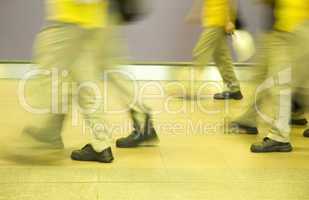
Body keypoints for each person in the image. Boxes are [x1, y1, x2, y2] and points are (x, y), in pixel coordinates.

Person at [20, 0, 159, 163]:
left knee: (74, 75)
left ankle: (49, 135)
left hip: (78, 16)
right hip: (91, 16)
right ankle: (97, 140)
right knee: (87, 75)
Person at [231, 0, 309, 152]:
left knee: (284, 85)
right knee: (276, 81)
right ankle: (253, 120)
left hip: (294, 27)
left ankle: (280, 136)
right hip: (283, 27)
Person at [185, 0, 243, 100]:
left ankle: (189, 87)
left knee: (200, 52)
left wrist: (230, 21)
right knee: (221, 58)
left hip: (218, 21)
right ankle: (235, 90)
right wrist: (196, 13)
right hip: (213, 21)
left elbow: (231, 2)